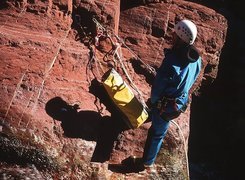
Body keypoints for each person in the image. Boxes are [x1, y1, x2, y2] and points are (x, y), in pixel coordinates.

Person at [141, 19, 202, 168]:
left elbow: (158, 86)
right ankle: (147, 162)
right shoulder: (197, 59)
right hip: (179, 103)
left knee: (156, 134)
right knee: (160, 130)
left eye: (175, 33)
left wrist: (154, 101)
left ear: (181, 37)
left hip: (166, 105)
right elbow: (192, 78)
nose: (172, 35)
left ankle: (145, 164)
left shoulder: (172, 61)